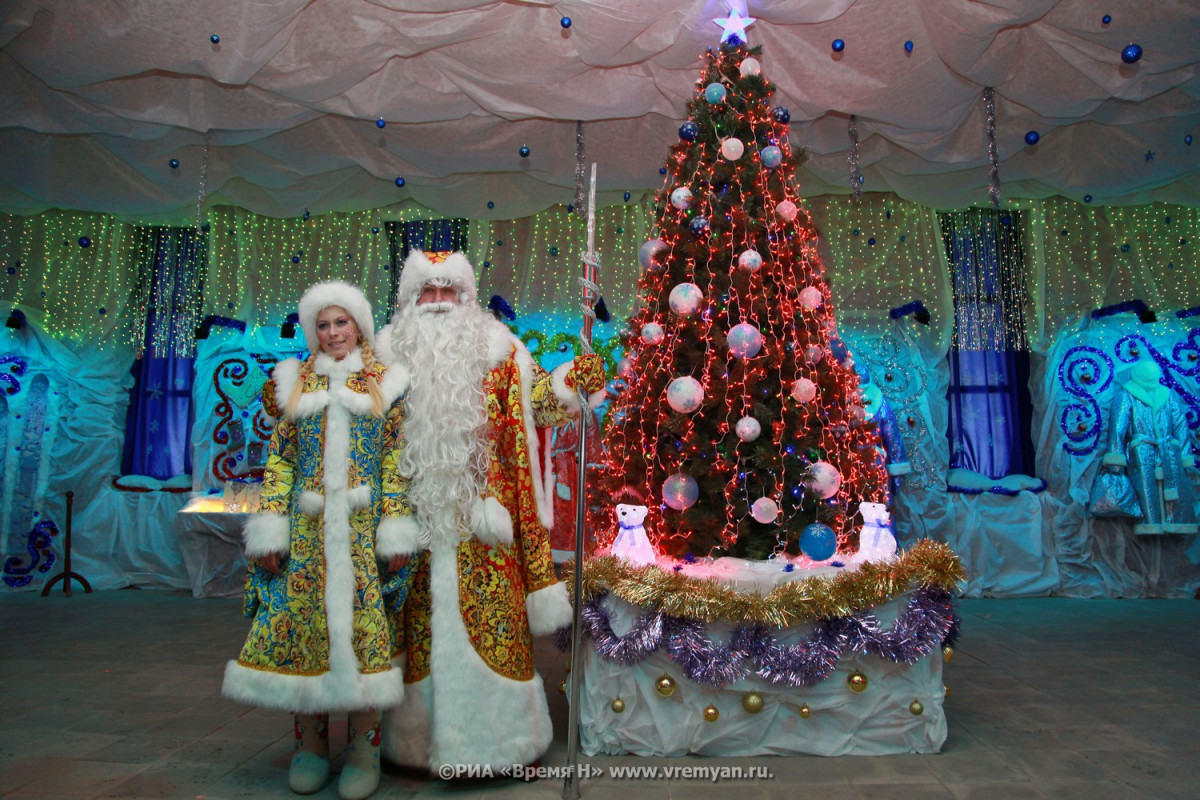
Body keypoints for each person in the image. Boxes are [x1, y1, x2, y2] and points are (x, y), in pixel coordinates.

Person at [374, 250, 606, 774]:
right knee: (416, 631)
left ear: (467, 296)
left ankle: (502, 746)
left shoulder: (501, 350)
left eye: (448, 291)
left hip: (487, 521)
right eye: (427, 292)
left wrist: (572, 381)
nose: (438, 303)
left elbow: (539, 405)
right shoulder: (387, 355)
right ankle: (415, 746)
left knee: (496, 625)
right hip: (415, 520)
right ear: (411, 299)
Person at [222, 281, 412, 800]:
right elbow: (280, 461)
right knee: (304, 633)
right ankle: (309, 747)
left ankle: (363, 751)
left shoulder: (387, 384)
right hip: (305, 535)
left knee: (363, 638)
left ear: (359, 327)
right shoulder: (292, 383)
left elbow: (395, 465)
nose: (332, 333)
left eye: (341, 323)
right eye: (323, 325)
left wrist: (394, 526)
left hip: (362, 531)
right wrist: (269, 526)